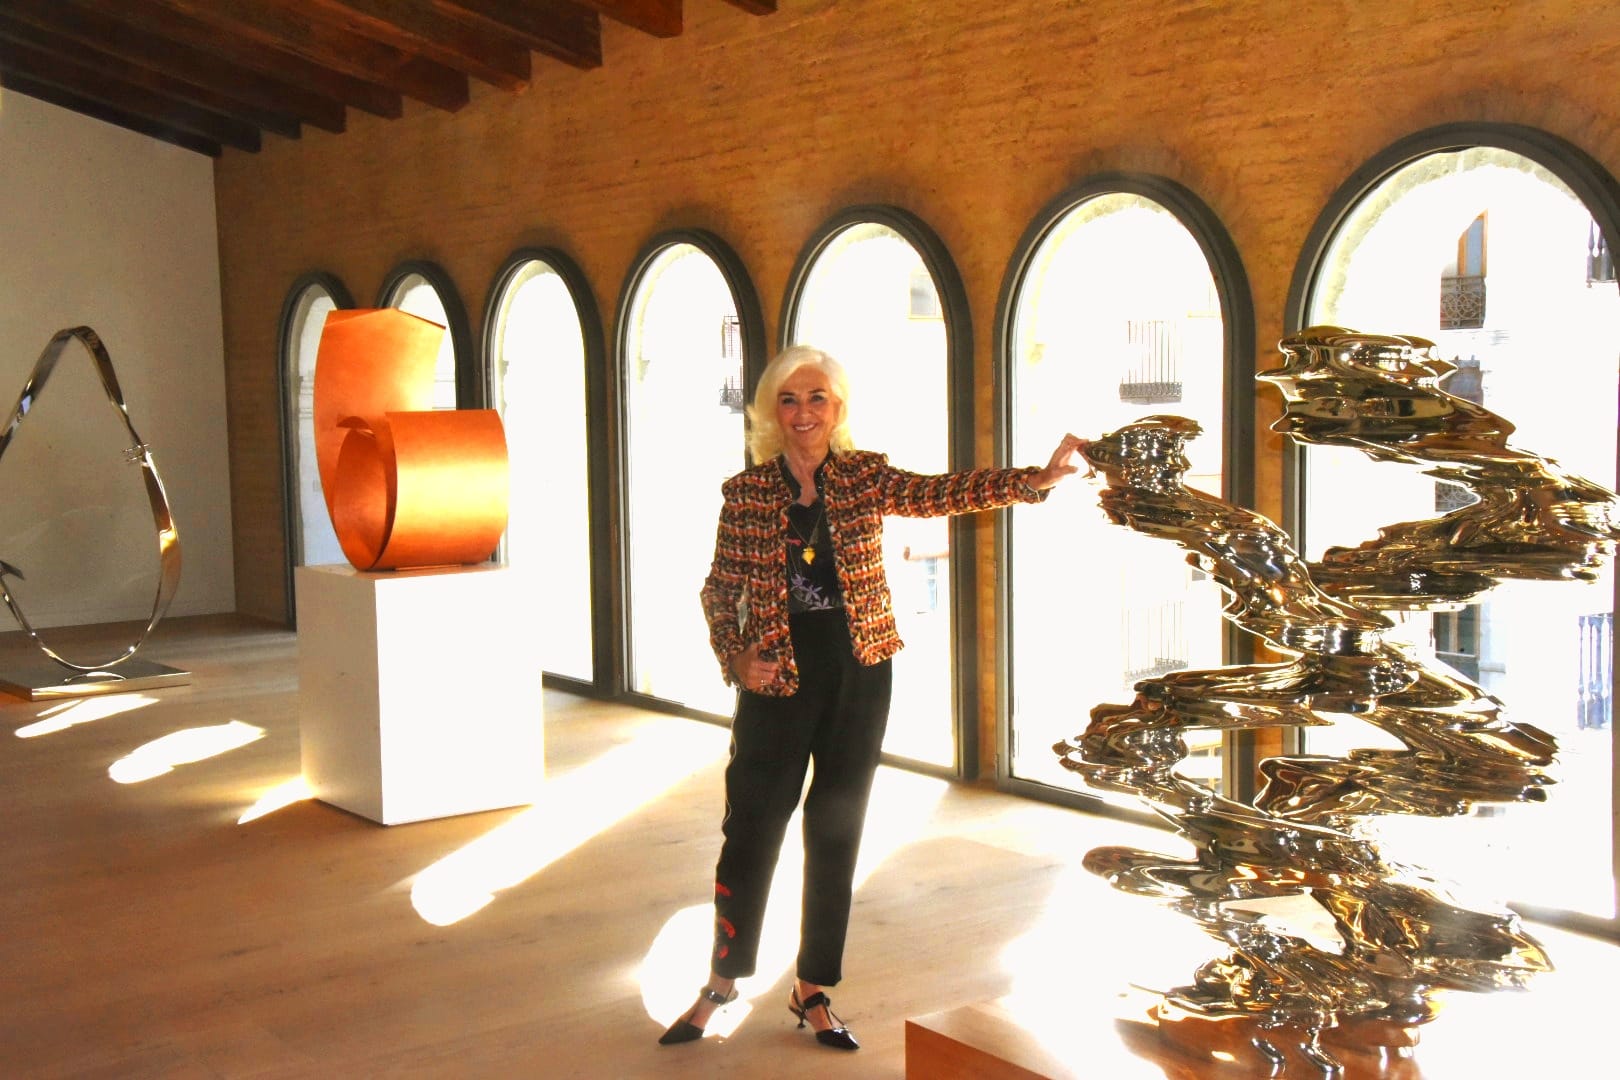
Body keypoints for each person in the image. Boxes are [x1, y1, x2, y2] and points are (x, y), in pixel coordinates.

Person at [658, 344, 1086, 1050]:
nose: (803, 412)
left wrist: (1033, 480)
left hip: (859, 669)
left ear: (838, 408)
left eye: (817, 398)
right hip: (777, 673)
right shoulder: (747, 492)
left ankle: (813, 988)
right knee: (753, 827)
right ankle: (722, 981)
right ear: (771, 411)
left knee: (836, 828)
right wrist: (735, 656)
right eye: (789, 399)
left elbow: (941, 492)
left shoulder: (863, 475)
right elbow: (719, 588)